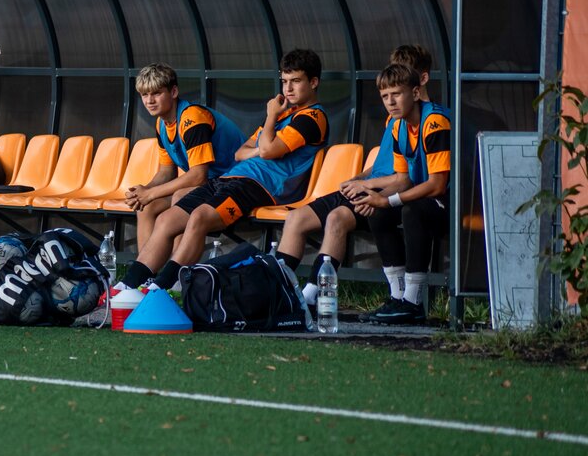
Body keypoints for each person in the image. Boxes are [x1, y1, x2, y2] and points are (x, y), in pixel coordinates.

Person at [115, 49, 328, 292]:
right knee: (166, 219)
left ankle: (164, 288)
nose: (288, 88)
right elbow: (241, 153)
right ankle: (129, 285)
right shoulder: (284, 116)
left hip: (260, 186)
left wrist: (269, 120)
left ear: (313, 82)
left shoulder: (311, 117)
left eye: (296, 81)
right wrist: (263, 147)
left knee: (199, 216)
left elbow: (266, 150)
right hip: (231, 178)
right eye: (284, 81)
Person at [275, 45, 435, 311]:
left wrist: (369, 187)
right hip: (372, 185)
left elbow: (406, 178)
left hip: (388, 191)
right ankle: (276, 291)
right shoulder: (394, 120)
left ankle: (311, 296)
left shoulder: (428, 120)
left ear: (420, 82)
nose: (393, 93)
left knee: (336, 218)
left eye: (402, 81)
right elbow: (382, 163)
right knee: (296, 218)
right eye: (389, 86)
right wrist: (358, 178)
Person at [351, 64, 451, 324]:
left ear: (415, 93)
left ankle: (413, 302)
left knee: (411, 211)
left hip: (455, 203)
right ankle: (397, 297)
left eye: (396, 94)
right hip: (425, 198)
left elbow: (438, 185)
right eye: (385, 96)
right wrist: (375, 198)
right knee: (378, 213)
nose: (390, 102)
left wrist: (387, 200)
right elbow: (403, 179)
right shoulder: (398, 126)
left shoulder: (434, 122)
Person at [124, 63, 245, 250]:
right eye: (144, 94)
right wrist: (143, 192)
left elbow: (198, 176)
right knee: (146, 207)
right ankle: (145, 267)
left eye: (156, 93)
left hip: (236, 183)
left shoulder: (192, 118)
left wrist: (151, 193)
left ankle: (177, 266)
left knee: (181, 196)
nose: (149, 101)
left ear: (173, 92)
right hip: (212, 184)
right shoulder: (161, 124)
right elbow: (166, 171)